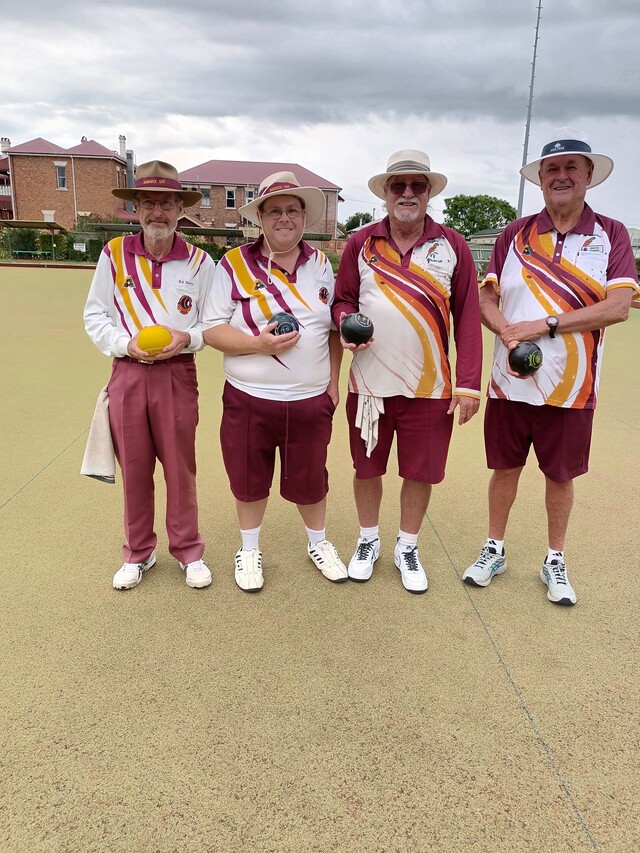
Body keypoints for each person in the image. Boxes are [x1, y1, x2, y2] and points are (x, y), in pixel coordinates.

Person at [463, 128, 640, 605]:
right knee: (504, 469)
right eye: (552, 170)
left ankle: (554, 559)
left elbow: (618, 306)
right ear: (540, 179)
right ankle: (494, 548)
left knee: (560, 477)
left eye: (570, 168)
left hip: (572, 388)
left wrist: (544, 325)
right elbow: (486, 298)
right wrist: (506, 330)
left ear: (588, 176)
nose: (561, 177)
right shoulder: (514, 233)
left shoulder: (612, 234)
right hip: (508, 384)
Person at [332, 150, 483, 594]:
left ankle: (407, 546)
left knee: (420, 471)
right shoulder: (360, 243)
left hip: (431, 387)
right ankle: (368, 540)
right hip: (369, 384)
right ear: (385, 192)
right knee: (367, 469)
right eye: (398, 185)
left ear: (429, 192)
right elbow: (342, 300)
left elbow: (467, 318)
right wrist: (345, 320)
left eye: (418, 185)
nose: (408, 193)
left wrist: (468, 385)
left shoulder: (453, 245)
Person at [202, 171, 347, 592]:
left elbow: (331, 329)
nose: (285, 218)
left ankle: (318, 543)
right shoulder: (232, 264)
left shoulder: (321, 264)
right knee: (249, 478)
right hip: (249, 396)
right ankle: (249, 548)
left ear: (303, 217)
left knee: (312, 479)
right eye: (275, 211)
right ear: (261, 218)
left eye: (292, 210)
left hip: (309, 399)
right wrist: (257, 345)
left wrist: (333, 383)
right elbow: (211, 330)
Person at [84, 160, 215, 590]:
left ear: (180, 209)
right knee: (135, 470)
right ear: (136, 207)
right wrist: (126, 345)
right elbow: (95, 315)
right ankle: (138, 552)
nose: (157, 212)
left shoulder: (200, 262)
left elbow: (212, 324)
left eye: (166, 203)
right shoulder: (114, 253)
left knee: (180, 468)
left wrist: (187, 338)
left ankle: (188, 550)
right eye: (148, 203)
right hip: (127, 372)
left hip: (178, 373)